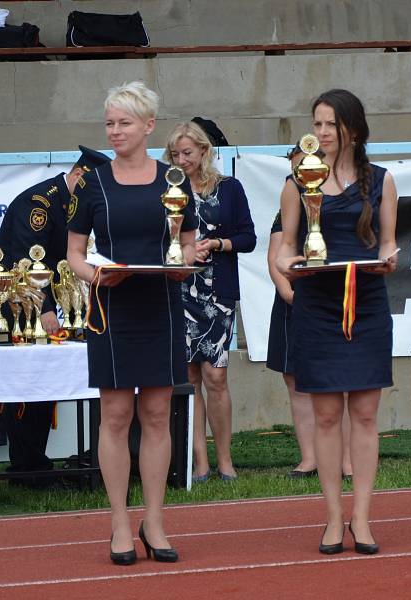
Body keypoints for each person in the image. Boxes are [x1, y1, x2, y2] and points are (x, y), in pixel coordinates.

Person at [67, 81, 197, 565]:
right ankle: (120, 522)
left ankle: (155, 520)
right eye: (109, 123)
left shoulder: (174, 181)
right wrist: (99, 275)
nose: (115, 131)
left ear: (148, 126)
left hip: (161, 305)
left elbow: (186, 243)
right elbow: (74, 256)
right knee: (116, 417)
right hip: (111, 308)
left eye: (124, 123)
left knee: (158, 416)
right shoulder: (92, 184)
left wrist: (188, 259)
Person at [276, 89, 398, 555]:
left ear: (353, 129)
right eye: (317, 124)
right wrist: (291, 265)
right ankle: (332, 519)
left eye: (330, 125)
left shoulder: (381, 181)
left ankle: (362, 518)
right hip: (317, 307)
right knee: (326, 416)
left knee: (365, 415)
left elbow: (387, 244)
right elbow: (286, 247)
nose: (322, 133)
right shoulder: (296, 181)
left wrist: (388, 260)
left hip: (366, 302)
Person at [0, 144, 110, 487]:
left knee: (44, 385)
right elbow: (28, 263)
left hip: (52, 303)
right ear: (78, 175)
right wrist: (45, 310)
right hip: (19, 303)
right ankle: (27, 468)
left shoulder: (76, 204)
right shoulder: (40, 204)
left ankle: (34, 464)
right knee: (31, 386)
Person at [163, 121, 256, 483]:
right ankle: (199, 461)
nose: (182, 159)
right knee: (189, 376)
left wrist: (216, 244)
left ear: (204, 151)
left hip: (217, 291)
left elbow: (248, 237)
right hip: (180, 288)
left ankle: (226, 460)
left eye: (188, 152)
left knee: (216, 376)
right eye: (175, 154)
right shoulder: (167, 191)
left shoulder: (230, 189)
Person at [266, 144, 352, 479]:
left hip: (332, 300)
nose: (302, 175)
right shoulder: (287, 206)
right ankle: (309, 458)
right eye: (296, 169)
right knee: (296, 380)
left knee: (340, 382)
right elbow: (275, 256)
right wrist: (288, 292)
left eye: (308, 166)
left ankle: (345, 461)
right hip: (293, 300)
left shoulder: (339, 204)